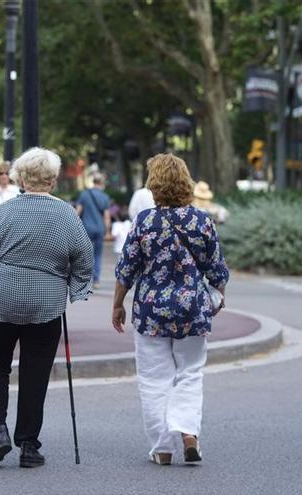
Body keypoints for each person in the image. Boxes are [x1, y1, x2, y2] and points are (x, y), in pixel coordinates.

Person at [0, 147, 93, 468]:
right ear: (54, 180)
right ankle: (29, 446)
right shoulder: (66, 216)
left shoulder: (5, 212)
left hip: (1, 296)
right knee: (36, 373)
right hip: (45, 303)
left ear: (19, 177)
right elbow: (85, 261)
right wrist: (73, 286)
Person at [112, 153, 229, 465]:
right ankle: (188, 432)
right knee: (190, 373)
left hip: (151, 311)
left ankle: (162, 450)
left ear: (154, 185)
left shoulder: (145, 221)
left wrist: (117, 305)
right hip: (192, 308)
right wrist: (219, 295)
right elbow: (217, 269)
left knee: (154, 379)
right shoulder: (202, 220)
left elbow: (126, 269)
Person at [75, 172, 111, 289]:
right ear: (101, 183)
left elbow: (77, 212)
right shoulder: (105, 196)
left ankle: (84, 280)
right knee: (98, 255)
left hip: (86, 229)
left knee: (85, 255)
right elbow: (106, 216)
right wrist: (107, 231)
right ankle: (96, 281)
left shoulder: (84, 194)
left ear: (93, 182)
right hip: (99, 229)